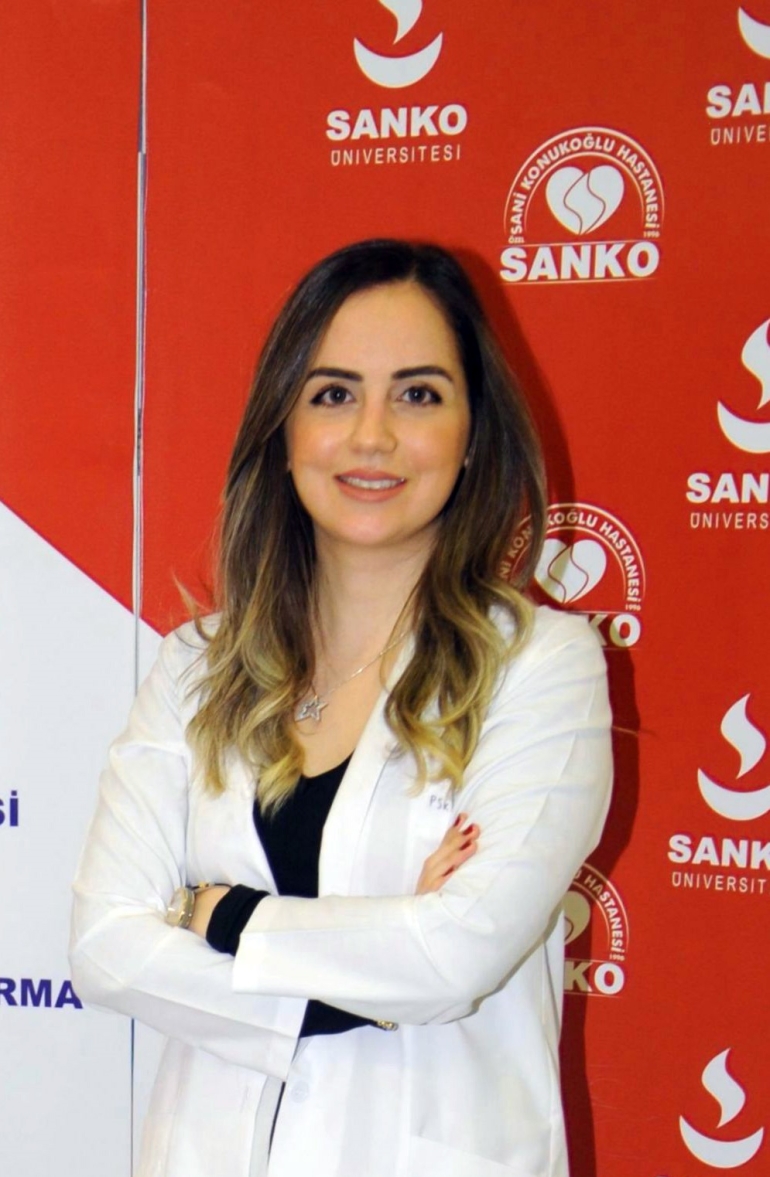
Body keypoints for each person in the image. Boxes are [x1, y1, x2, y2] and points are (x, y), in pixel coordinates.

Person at [70, 239, 613, 1177]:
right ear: (283, 430)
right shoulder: (195, 669)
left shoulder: (540, 668)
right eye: (332, 394)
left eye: (418, 394)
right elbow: (107, 948)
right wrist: (387, 948)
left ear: (473, 433)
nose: (372, 435)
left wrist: (217, 914)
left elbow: (456, 957)